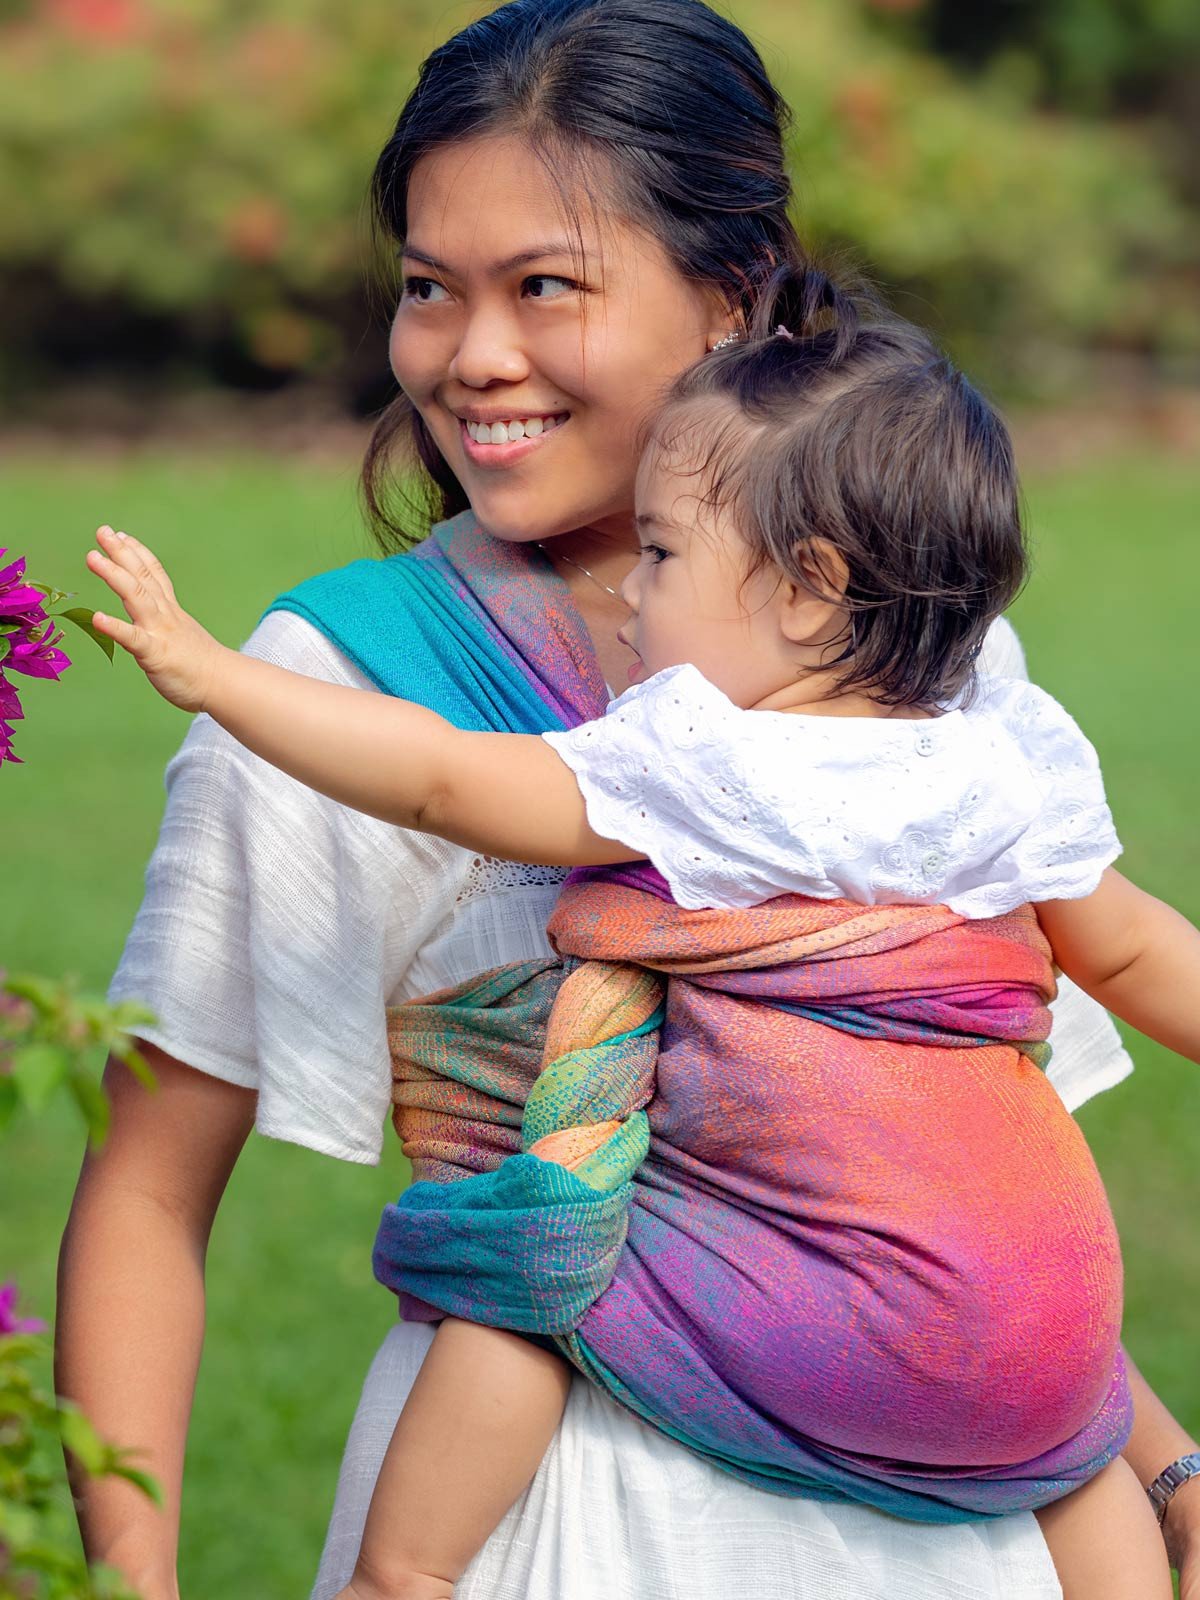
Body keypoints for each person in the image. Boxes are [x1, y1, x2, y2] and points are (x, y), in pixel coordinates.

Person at [56, 2, 1200, 1598]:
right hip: (551, 1518)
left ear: (733, 300)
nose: (472, 356)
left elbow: (948, 1168)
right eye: (428, 288)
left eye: (545, 286)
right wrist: (125, 1581)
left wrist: (1164, 1469)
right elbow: (149, 1187)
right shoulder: (342, 687)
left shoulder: (919, 670)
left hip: (958, 1535)